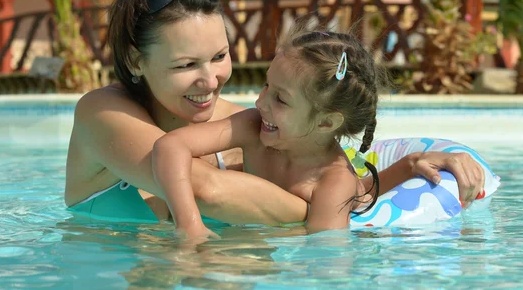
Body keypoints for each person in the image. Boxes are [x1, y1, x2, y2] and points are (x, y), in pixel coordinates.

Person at [64, 0, 485, 227]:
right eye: (184, 66)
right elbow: (208, 190)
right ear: (137, 62)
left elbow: (321, 179)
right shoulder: (102, 112)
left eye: (219, 56)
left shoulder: (247, 123)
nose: (210, 81)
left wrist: (406, 168)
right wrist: (325, 211)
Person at [153, 30, 383, 238]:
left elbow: (322, 259)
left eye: (280, 99)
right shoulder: (253, 126)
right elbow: (170, 145)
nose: (259, 102)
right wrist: (189, 224)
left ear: (325, 122)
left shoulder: (334, 183)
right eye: (266, 85)